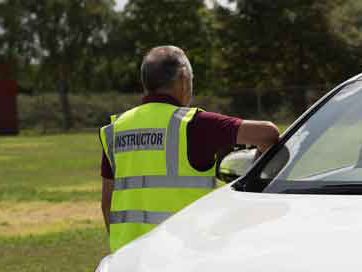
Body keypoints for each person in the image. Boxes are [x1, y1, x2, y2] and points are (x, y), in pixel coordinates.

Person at [98, 45, 279, 252]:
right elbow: (267, 134)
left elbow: (107, 204)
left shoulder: (115, 129)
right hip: (182, 258)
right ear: (184, 78)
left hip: (128, 260)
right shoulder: (194, 124)